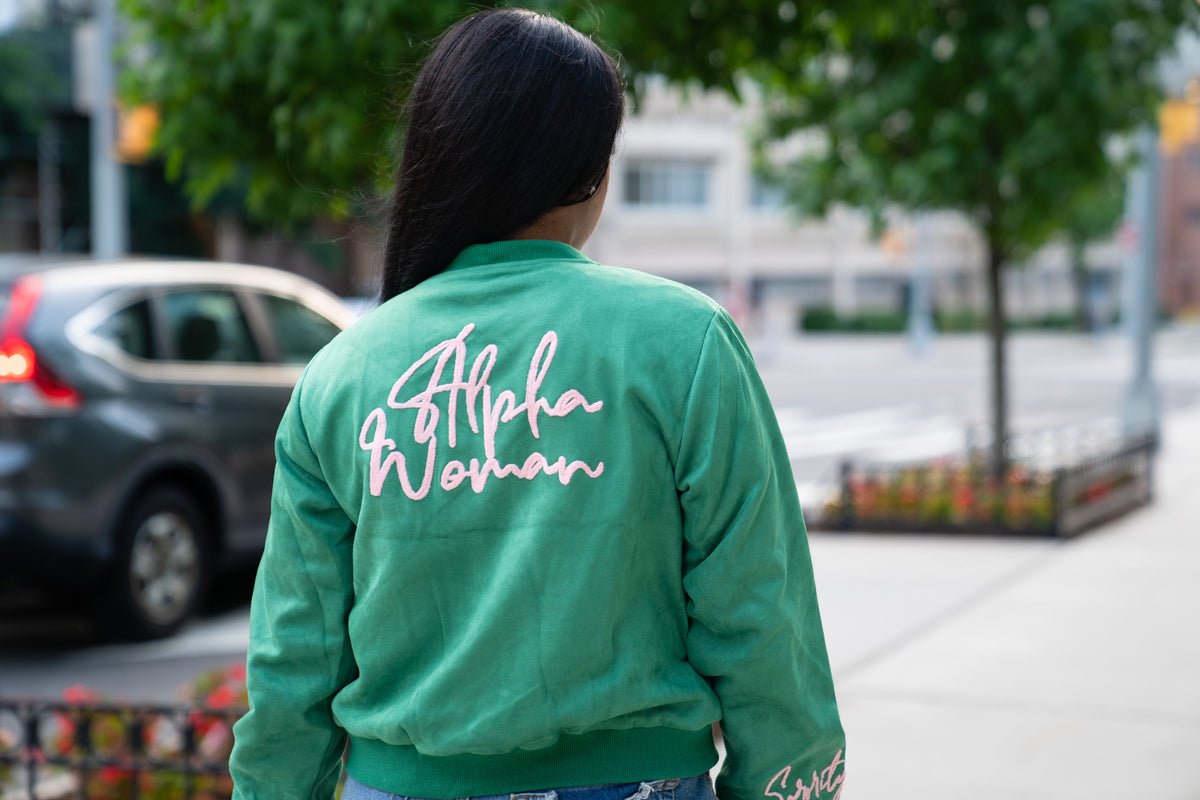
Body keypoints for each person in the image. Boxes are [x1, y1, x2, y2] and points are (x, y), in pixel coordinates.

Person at [228, 9, 845, 800]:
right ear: (589, 174)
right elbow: (760, 611)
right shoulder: (685, 340)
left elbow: (294, 655)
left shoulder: (343, 374)